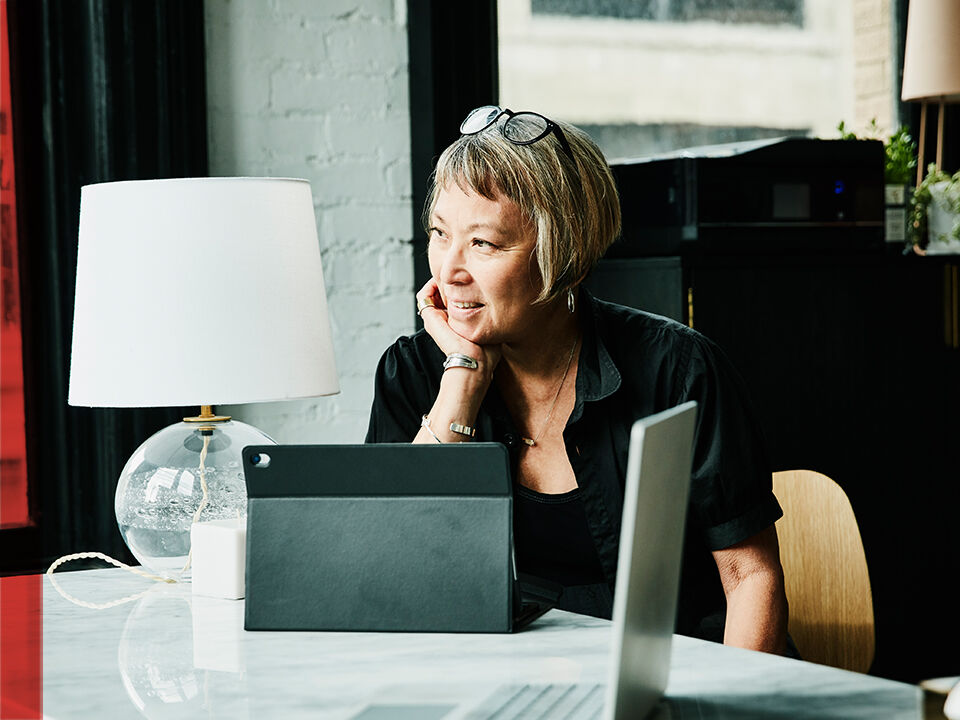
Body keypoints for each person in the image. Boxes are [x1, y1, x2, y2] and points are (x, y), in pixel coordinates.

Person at [365, 105, 788, 654]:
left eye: (483, 243)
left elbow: (751, 577)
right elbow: (388, 572)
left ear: (562, 252)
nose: (448, 270)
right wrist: (461, 382)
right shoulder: (413, 372)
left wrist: (727, 695)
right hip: (499, 682)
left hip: (675, 675)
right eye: (440, 234)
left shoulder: (679, 371)